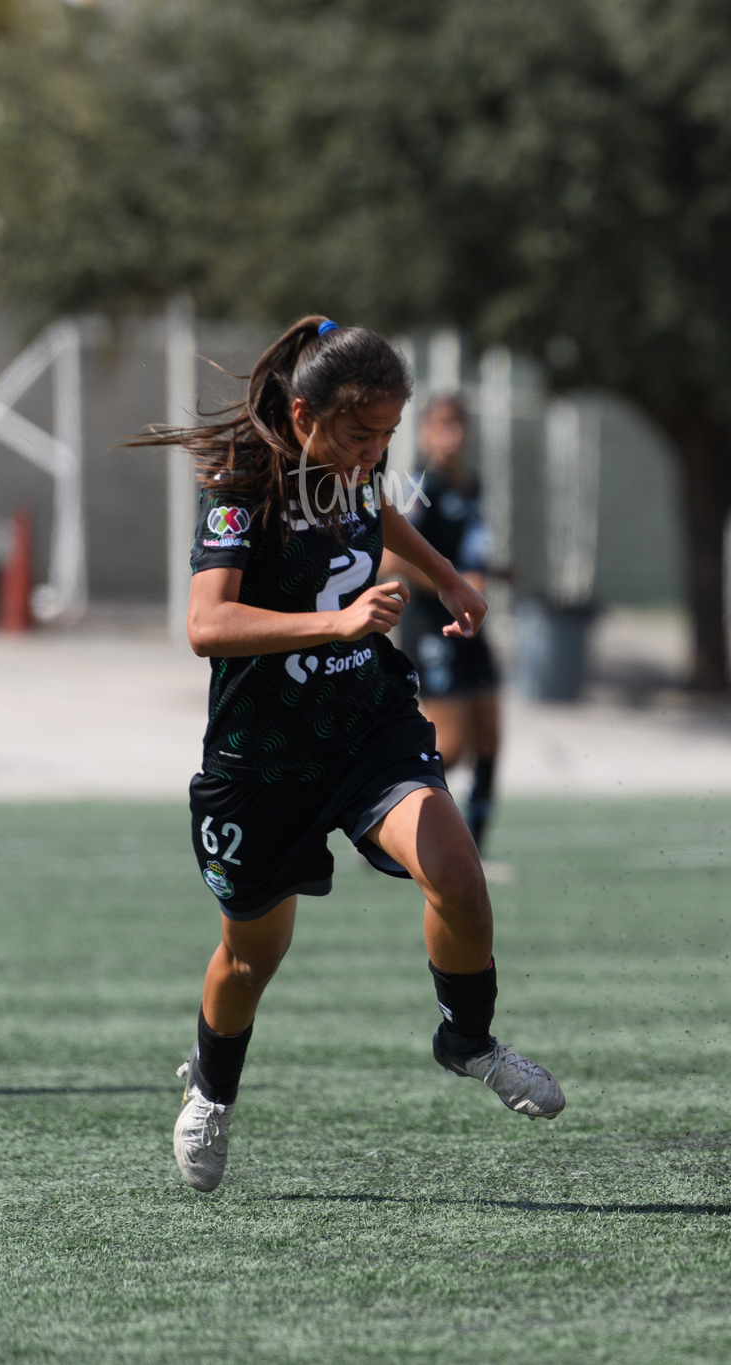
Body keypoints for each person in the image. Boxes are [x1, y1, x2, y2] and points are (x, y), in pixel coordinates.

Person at [138, 318, 563, 1194]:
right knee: (252, 956)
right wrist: (333, 621)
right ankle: (212, 1087)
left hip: (368, 729)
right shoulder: (240, 493)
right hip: (262, 761)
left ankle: (467, 1039)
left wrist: (447, 576)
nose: (375, 453)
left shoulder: (360, 477)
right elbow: (205, 625)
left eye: (388, 436)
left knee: (456, 868)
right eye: (361, 434)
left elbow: (381, 513)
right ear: (303, 417)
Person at [379, 395, 504, 853]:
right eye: (442, 425)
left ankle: (475, 849)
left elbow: (466, 552)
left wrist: (491, 574)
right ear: (425, 432)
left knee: (489, 737)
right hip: (434, 627)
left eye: (459, 424)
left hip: (470, 626)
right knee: (449, 747)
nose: (452, 434)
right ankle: (390, 821)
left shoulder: (470, 486)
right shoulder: (419, 487)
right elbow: (390, 559)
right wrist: (451, 584)